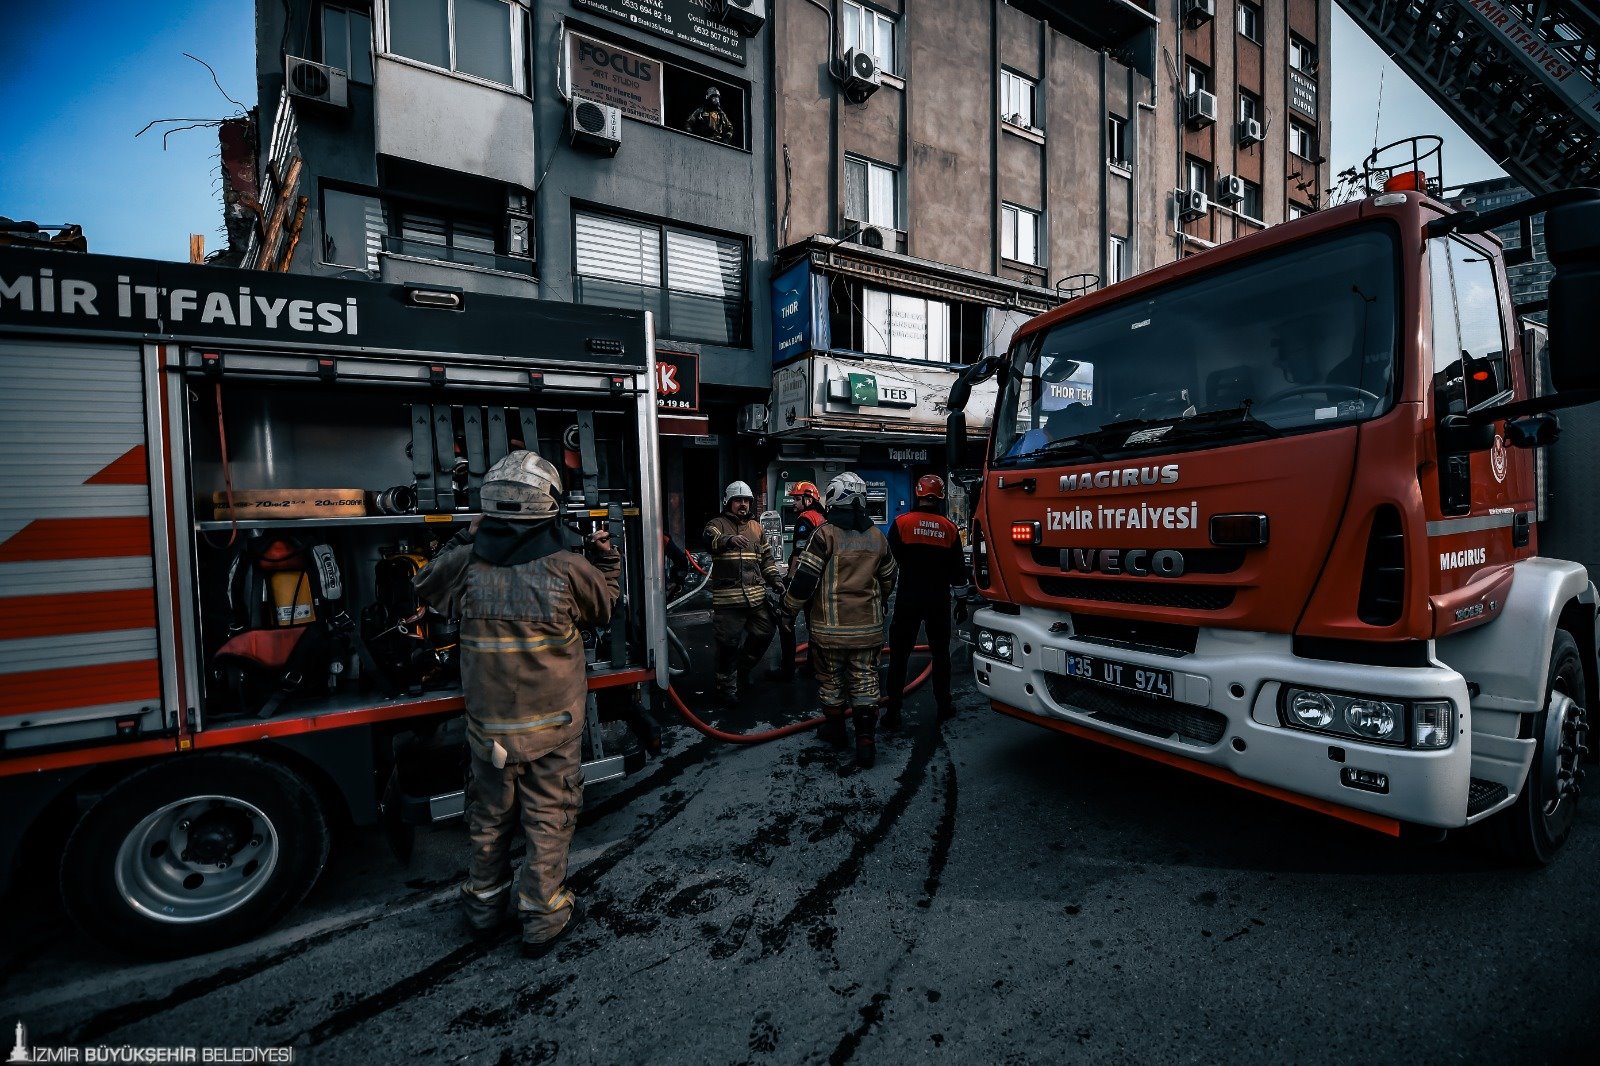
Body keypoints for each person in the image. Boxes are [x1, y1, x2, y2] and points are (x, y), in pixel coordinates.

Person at [414, 450, 620, 959]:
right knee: (548, 818)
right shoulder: (568, 568)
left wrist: (464, 537)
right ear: (548, 506)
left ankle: (483, 909)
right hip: (553, 728)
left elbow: (426, 584)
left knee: (488, 820)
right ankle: (543, 916)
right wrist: (607, 558)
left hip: (489, 730)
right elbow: (605, 608)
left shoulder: (466, 565)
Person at [782, 472, 898, 768]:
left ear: (834, 497)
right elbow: (889, 578)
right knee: (865, 680)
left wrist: (788, 610)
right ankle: (866, 741)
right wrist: (878, 601)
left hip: (829, 631)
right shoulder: (877, 537)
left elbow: (804, 580)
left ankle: (835, 731)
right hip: (868, 630)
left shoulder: (825, 535)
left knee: (831, 681)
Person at [882, 474, 968, 730]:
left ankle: (893, 712)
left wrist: (883, 596)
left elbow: (887, 567)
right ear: (940, 497)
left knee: (899, 656)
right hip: (938, 601)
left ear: (918, 494)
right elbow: (958, 572)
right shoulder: (949, 529)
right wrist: (962, 602)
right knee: (941, 655)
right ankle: (944, 706)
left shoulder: (902, 524)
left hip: (908, 598)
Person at [703, 480, 783, 705]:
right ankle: (725, 688)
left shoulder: (757, 528)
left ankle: (742, 670)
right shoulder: (716, 524)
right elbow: (709, 540)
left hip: (756, 598)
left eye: (746, 501)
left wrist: (776, 580)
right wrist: (728, 540)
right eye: (738, 500)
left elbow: (766, 559)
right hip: (729, 601)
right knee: (727, 646)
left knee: (765, 632)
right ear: (728, 502)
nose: (743, 505)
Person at [769, 481, 827, 682]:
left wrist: (789, 580)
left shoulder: (804, 519)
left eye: (796, 499)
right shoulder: (822, 518)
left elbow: (799, 552)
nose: (793, 502)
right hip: (819, 580)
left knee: (786, 621)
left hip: (803, 579)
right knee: (814, 626)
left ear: (808, 499)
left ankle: (787, 670)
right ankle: (812, 667)